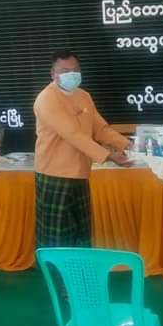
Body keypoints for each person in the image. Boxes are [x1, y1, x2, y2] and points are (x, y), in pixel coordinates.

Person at [33, 50, 131, 249]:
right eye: (65, 71)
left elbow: (100, 129)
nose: (71, 74)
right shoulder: (46, 99)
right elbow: (73, 134)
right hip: (55, 174)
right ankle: (54, 269)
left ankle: (80, 268)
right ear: (53, 74)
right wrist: (109, 156)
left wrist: (128, 145)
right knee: (57, 235)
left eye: (75, 69)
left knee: (81, 231)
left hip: (80, 172)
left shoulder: (84, 96)